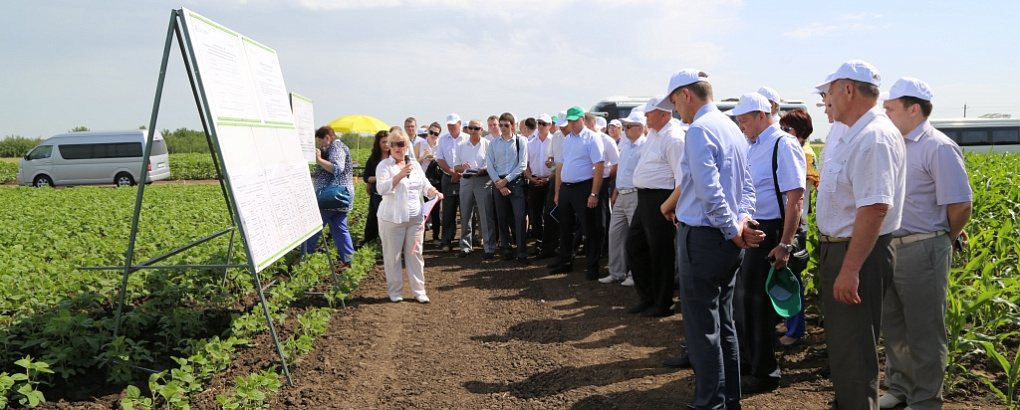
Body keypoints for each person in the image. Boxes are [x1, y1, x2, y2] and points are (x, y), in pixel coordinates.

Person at [666, 69, 762, 409]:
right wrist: (741, 222)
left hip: (705, 238)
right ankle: (728, 400)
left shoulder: (700, 130)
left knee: (703, 329)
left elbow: (710, 191)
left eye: (675, 101)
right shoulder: (732, 130)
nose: (676, 109)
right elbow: (747, 186)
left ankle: (710, 404)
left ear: (687, 95)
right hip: (726, 240)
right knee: (723, 325)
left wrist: (731, 227)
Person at [814, 60, 906, 409]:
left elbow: (874, 208)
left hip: (856, 254)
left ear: (848, 90)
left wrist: (850, 269)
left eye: (830, 92)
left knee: (854, 351)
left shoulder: (874, 137)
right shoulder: (856, 133)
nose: (827, 101)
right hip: (845, 251)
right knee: (845, 347)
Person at [879, 77, 972, 410]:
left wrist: (940, 239)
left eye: (890, 108)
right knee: (894, 325)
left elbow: (961, 205)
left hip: (924, 247)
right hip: (891, 246)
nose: (884, 113)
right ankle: (900, 388)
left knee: (924, 331)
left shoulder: (938, 147)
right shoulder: (895, 144)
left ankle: (925, 399)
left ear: (913, 109)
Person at [729, 93, 807, 394]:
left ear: (763, 115)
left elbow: (795, 197)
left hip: (771, 232)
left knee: (759, 306)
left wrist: (785, 244)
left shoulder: (782, 144)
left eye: (745, 120)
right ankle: (751, 360)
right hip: (752, 229)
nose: (741, 125)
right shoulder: (752, 146)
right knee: (746, 302)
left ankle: (766, 373)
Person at [624, 96, 685, 318]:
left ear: (663, 114)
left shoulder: (674, 138)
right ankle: (648, 297)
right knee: (635, 246)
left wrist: (671, 207)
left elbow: (682, 178)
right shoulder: (656, 134)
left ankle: (663, 302)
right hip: (646, 199)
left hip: (662, 199)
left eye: (650, 113)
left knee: (660, 252)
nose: (646, 117)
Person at [375, 129, 443, 303]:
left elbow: (424, 185)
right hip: (392, 219)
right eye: (395, 144)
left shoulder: (414, 164)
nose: (399, 148)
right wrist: (399, 175)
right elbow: (381, 189)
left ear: (407, 147)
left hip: (415, 218)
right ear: (389, 147)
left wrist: (433, 192)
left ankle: (419, 291)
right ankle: (395, 291)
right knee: (393, 256)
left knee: (416, 254)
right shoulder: (384, 166)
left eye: (402, 144)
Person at [549, 106, 605, 280]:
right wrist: (558, 191)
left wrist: (594, 193)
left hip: (584, 188)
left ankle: (592, 266)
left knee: (590, 228)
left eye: (574, 120)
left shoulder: (592, 138)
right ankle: (565, 260)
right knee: (565, 226)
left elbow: (599, 167)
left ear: (583, 119)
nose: (572, 124)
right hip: (567, 188)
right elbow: (561, 166)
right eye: (570, 121)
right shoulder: (568, 140)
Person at [776, 109, 817, 348]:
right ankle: (790, 323)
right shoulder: (796, 149)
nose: (783, 134)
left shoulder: (804, 153)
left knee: (792, 279)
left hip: (795, 226)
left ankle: (795, 330)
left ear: (800, 133)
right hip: (791, 223)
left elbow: (800, 195)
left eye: (787, 129)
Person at [600, 109, 646, 287]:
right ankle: (616, 272)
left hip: (635, 195)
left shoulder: (644, 147)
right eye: (625, 126)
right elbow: (621, 172)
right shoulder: (626, 146)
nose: (625, 129)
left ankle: (635, 274)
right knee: (615, 234)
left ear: (640, 128)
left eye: (629, 126)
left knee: (635, 239)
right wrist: (616, 192)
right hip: (621, 195)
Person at [302, 126, 356, 265]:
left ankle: (305, 256)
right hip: (338, 196)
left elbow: (337, 168)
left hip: (332, 196)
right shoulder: (333, 148)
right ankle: (349, 259)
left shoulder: (336, 147)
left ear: (327, 137)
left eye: (320, 141)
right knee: (340, 227)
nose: (319, 144)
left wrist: (319, 159)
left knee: (315, 225)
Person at [487, 112, 530, 263]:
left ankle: (522, 252)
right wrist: (499, 183)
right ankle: (506, 249)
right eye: (501, 125)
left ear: (512, 126)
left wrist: (506, 180)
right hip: (498, 183)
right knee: (502, 218)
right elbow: (490, 165)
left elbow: (522, 164)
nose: (503, 128)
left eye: (506, 125)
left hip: (516, 183)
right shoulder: (493, 143)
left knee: (519, 217)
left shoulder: (521, 141)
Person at [455, 119, 497, 258]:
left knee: (486, 216)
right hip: (466, 181)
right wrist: (463, 167)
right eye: (470, 128)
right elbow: (456, 167)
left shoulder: (488, 144)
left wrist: (482, 170)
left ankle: (489, 247)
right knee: (465, 214)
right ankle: (465, 247)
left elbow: (492, 164)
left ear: (481, 129)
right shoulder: (461, 145)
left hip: (482, 180)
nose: (473, 131)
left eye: (476, 128)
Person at [435, 113, 465, 251]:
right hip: (447, 177)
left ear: (459, 123)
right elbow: (440, 159)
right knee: (448, 210)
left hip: (464, 178)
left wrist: (458, 174)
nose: (451, 127)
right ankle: (446, 240)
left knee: (465, 210)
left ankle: (465, 242)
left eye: (454, 124)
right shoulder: (442, 140)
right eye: (449, 125)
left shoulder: (467, 139)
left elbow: (469, 159)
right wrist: (452, 172)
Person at [525, 113, 555, 256]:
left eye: (544, 123)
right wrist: (530, 178)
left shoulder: (555, 142)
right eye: (539, 123)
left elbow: (559, 165)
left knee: (549, 213)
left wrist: (548, 179)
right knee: (536, 213)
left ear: (550, 125)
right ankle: (539, 241)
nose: (541, 126)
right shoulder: (530, 143)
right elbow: (525, 164)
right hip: (535, 180)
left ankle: (550, 242)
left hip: (550, 181)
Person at [362, 130, 390, 246]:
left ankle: (387, 241)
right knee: (374, 217)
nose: (386, 145)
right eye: (383, 142)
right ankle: (371, 241)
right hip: (378, 193)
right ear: (378, 143)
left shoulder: (395, 157)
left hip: (391, 194)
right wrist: (379, 178)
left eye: (388, 142)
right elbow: (366, 177)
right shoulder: (374, 158)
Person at [416, 122, 443, 245]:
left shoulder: (440, 145)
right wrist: (423, 158)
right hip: (421, 181)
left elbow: (444, 161)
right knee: (421, 210)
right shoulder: (419, 144)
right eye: (431, 132)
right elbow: (414, 162)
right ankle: (420, 237)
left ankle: (435, 237)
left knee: (435, 210)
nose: (433, 135)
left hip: (435, 181)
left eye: (435, 133)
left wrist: (435, 158)